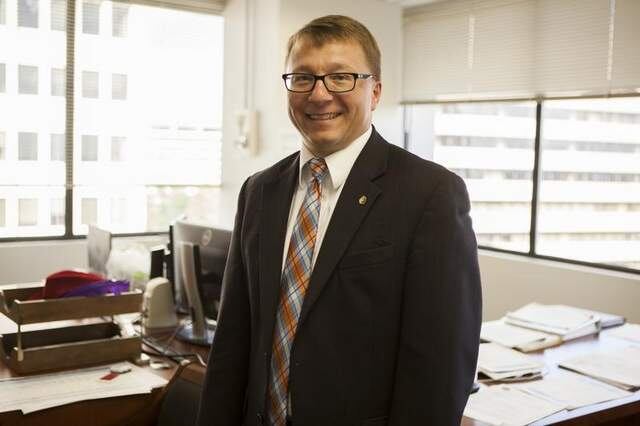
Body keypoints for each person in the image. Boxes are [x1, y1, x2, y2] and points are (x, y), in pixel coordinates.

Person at [196, 15, 481, 426]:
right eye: (303, 78)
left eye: (341, 77)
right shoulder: (259, 191)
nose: (319, 94)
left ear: (375, 91)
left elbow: (440, 369)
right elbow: (232, 340)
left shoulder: (430, 194)